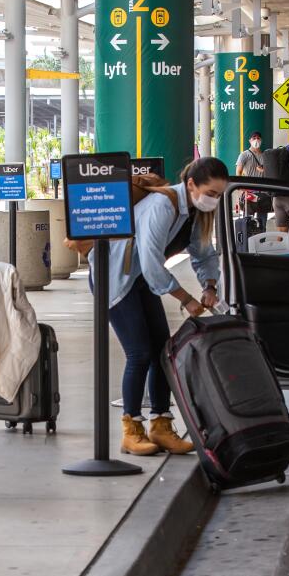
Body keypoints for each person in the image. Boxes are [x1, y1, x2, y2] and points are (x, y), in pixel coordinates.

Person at [95, 157, 226, 456]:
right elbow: (154, 265)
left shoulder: (195, 212)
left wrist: (209, 286)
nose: (214, 200)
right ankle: (132, 431)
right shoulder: (162, 206)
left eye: (219, 195)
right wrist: (186, 298)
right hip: (115, 277)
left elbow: (204, 254)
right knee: (139, 353)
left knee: (161, 352)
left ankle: (162, 426)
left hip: (138, 277)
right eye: (212, 193)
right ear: (191, 184)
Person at [235, 131, 271, 231]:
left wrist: (264, 170)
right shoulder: (244, 155)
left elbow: (270, 172)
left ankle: (261, 240)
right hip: (249, 192)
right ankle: (247, 240)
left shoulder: (265, 156)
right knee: (248, 220)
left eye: (258, 138)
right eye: (254, 137)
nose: (256, 140)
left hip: (263, 192)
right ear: (250, 140)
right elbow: (238, 171)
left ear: (261, 140)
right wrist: (240, 187)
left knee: (262, 221)